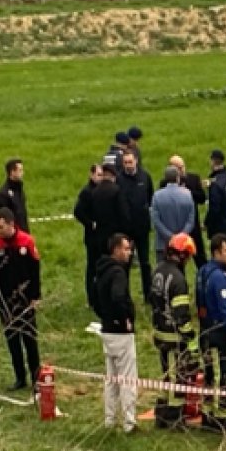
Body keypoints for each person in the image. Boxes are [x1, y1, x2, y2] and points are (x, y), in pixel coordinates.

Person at [0, 208, 42, 392]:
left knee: (29, 339)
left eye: (1, 227)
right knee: (12, 340)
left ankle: (37, 378)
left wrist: (35, 296)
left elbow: (35, 271)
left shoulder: (26, 242)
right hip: (5, 301)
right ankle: (20, 377)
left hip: (25, 299)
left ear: (11, 224)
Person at [148, 234, 198, 421]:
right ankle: (172, 417)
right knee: (177, 379)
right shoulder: (178, 279)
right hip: (173, 338)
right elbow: (181, 317)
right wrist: (191, 341)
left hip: (159, 333)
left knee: (167, 376)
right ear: (183, 255)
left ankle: (162, 411)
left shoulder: (158, 271)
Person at [94, 233, 138, 434]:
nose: (129, 252)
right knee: (128, 379)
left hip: (107, 331)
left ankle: (109, 419)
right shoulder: (118, 273)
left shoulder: (101, 270)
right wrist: (125, 319)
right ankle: (130, 422)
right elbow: (119, 296)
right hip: (121, 333)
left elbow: (94, 298)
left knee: (111, 379)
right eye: (126, 249)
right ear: (116, 250)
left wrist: (105, 316)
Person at [197, 234, 226, 431]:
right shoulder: (219, 277)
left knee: (209, 374)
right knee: (222, 375)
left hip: (205, 330)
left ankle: (207, 415)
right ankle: (221, 419)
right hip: (218, 333)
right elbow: (225, 309)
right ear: (216, 252)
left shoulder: (203, 271)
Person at [81, 162, 130, 311]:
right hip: (114, 238)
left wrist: (91, 224)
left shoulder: (94, 192)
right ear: (114, 176)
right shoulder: (116, 191)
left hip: (98, 238)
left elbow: (86, 212)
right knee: (116, 269)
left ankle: (96, 298)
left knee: (98, 269)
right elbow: (124, 215)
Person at [117, 152, 155, 302]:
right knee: (125, 264)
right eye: (125, 162)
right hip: (126, 231)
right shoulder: (119, 179)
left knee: (145, 263)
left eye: (130, 162)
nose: (128, 165)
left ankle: (148, 295)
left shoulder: (145, 177)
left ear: (136, 161)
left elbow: (150, 198)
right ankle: (125, 296)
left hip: (143, 229)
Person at [165, 155, 208, 267]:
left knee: (200, 257)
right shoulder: (166, 183)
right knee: (177, 260)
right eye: (178, 168)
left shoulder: (193, 179)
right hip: (176, 227)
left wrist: (188, 192)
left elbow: (202, 198)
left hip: (193, 226)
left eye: (182, 166)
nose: (182, 170)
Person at [73, 164, 105, 302]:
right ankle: (91, 297)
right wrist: (90, 223)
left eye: (102, 175)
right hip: (92, 237)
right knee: (92, 267)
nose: (100, 178)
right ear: (91, 175)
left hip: (102, 235)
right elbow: (78, 211)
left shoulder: (102, 189)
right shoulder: (86, 192)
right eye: (98, 175)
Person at [151, 166, 196, 265]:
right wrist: (180, 236)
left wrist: (170, 237)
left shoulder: (157, 196)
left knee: (162, 271)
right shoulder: (187, 194)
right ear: (178, 178)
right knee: (179, 273)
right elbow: (191, 219)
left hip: (163, 244)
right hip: (181, 245)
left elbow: (156, 220)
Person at [204, 150, 226, 241]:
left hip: (218, 227)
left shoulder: (215, 184)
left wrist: (206, 223)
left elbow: (214, 208)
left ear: (213, 161)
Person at [0, 158, 29, 233]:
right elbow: (3, 218)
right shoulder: (3, 194)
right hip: (12, 235)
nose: (23, 173)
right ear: (12, 172)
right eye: (20, 170)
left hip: (23, 233)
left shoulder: (19, 190)